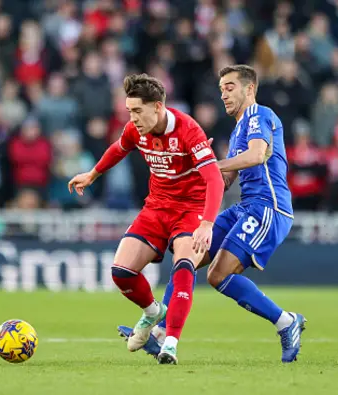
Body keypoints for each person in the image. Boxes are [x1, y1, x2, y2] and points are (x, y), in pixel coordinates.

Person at [118, 65, 306, 363]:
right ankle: (160, 332)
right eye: (221, 89)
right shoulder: (236, 132)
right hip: (244, 207)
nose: (224, 94)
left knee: (219, 274)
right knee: (187, 257)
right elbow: (224, 179)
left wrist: (210, 165)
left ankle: (285, 321)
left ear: (250, 89)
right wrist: (194, 176)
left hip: (268, 207)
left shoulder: (260, 115)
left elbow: (258, 155)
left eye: (230, 87)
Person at [68, 73, 224, 364]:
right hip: (156, 208)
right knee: (121, 272)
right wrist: (93, 174)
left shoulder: (189, 130)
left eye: (138, 111)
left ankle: (171, 343)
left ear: (157, 107)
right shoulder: (134, 130)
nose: (133, 118)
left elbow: (214, 179)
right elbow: (118, 149)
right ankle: (154, 312)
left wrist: (207, 223)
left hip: (190, 209)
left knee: (183, 268)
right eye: (129, 111)